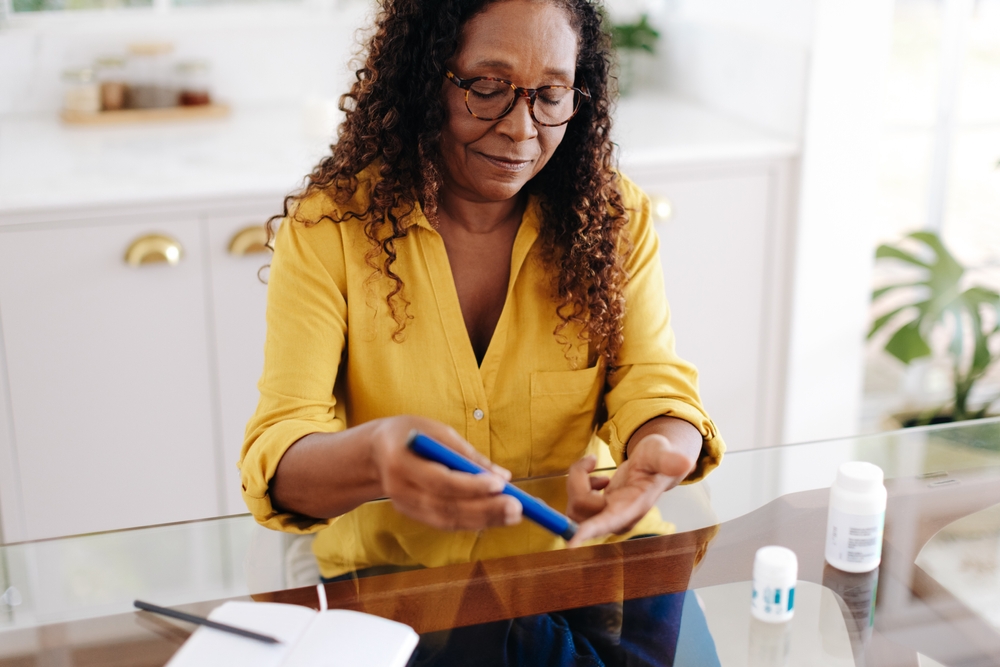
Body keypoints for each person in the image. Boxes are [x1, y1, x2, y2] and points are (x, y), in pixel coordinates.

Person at [239, 0, 725, 581]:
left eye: (550, 95)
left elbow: (650, 379)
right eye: (488, 87)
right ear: (426, 81)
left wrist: (660, 450)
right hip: (396, 580)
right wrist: (377, 459)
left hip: (573, 563)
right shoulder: (333, 227)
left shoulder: (611, 217)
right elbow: (281, 448)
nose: (522, 130)